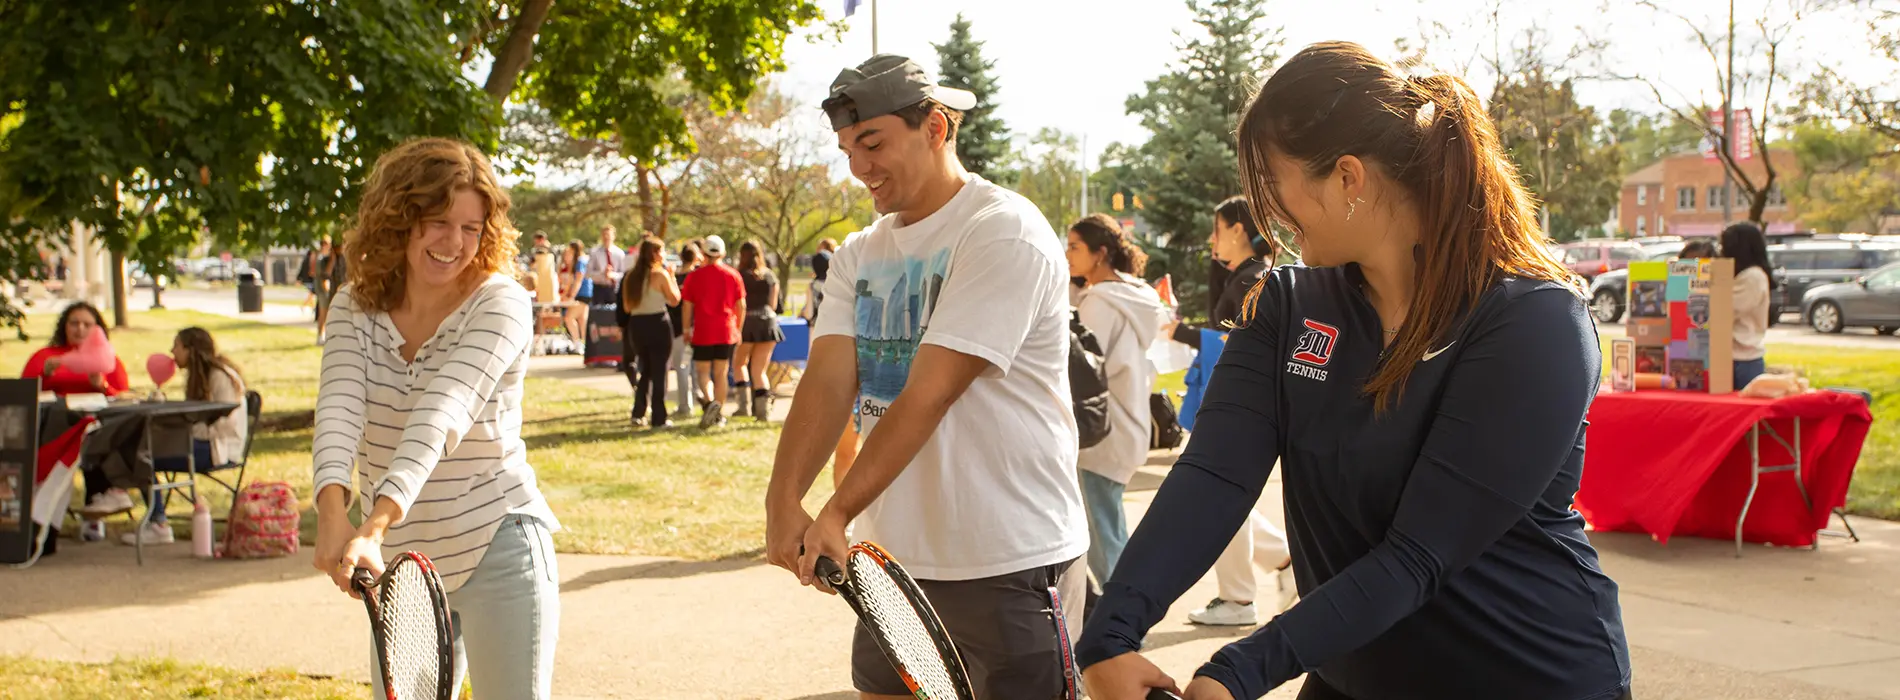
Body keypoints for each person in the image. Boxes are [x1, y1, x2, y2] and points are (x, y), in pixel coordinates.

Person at [1078, 42, 1630, 700]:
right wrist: (1110, 634)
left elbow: (1418, 556)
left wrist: (1238, 670)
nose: (1270, 217)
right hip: (1353, 675)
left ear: (1348, 178)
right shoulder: (1287, 305)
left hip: (1525, 676)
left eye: (1274, 184)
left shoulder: (1534, 324)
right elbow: (1215, 477)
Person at [765, 54, 1088, 699]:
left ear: (936, 128)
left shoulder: (1002, 230)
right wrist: (781, 499)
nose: (858, 166)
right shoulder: (862, 251)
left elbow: (931, 391)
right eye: (848, 148)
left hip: (1009, 560)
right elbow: (828, 382)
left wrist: (836, 509)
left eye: (873, 142)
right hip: (894, 567)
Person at [311, 137, 561, 699]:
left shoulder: (501, 302)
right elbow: (339, 409)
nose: (455, 243)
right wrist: (332, 512)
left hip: (496, 542)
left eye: (472, 228)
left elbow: (442, 412)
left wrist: (372, 527)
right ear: (399, 218)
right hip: (404, 569)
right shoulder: (355, 305)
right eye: (438, 222)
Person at [1166, 196, 1299, 626]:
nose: (1212, 240)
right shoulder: (1249, 276)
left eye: (1217, 229)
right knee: (1225, 498)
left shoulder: (1252, 280)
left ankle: (1239, 599)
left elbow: (1230, 343)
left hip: (1239, 407)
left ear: (1238, 231)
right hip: (1241, 407)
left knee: (1220, 498)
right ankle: (1283, 563)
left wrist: (1180, 332)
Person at [1065, 213, 1168, 590]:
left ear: (1100, 253)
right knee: (1106, 529)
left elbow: (1080, 366)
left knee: (1103, 538)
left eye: (1075, 247)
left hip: (1102, 432)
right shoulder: (1132, 296)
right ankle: (1120, 618)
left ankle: (1121, 625)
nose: (1067, 254)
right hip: (1127, 424)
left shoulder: (1101, 303)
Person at [120, 327, 249, 545]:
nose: (172, 351)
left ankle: (158, 523)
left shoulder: (219, 376)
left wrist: (189, 430)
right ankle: (154, 517)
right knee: (138, 449)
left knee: (140, 457)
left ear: (191, 349)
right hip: (202, 444)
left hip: (218, 449)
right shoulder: (200, 376)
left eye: (177, 346)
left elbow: (227, 425)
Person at [680, 235, 745, 428]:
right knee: (721, 373)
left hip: (703, 331)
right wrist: (738, 329)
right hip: (726, 330)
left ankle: (710, 405)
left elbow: (687, 306)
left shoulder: (694, 276)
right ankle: (718, 413)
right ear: (723, 253)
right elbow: (741, 305)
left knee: (702, 372)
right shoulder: (733, 275)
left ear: (704, 253)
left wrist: (685, 328)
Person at [621, 235, 681, 428]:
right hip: (658, 324)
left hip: (637, 326)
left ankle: (638, 412)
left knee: (645, 369)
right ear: (655, 254)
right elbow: (674, 300)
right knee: (660, 371)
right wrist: (672, 277)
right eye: (661, 250)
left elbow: (627, 307)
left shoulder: (630, 276)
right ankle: (659, 417)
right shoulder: (660, 275)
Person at [21, 301, 130, 397]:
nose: (80, 329)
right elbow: (23, 396)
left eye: (87, 325)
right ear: (64, 327)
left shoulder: (109, 361)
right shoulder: (43, 356)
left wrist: (103, 387)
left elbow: (125, 402)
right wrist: (45, 375)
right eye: (74, 324)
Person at [734, 241, 784, 421]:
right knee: (759, 370)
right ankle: (763, 412)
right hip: (768, 321)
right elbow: (773, 304)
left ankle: (744, 406)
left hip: (747, 321)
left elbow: (738, 303)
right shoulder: (770, 276)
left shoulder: (739, 276)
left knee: (739, 363)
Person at [1722, 221, 1774, 389]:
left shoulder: (1752, 277)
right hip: (1732, 357)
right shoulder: (1742, 276)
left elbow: (1725, 310)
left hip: (1743, 359)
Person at [670, 242, 706, 419]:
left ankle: (686, 404)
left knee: (683, 367)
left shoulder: (674, 278)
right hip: (696, 327)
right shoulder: (698, 277)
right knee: (695, 367)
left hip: (680, 329)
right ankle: (698, 398)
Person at [560, 240, 591, 342]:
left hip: (581, 294)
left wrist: (571, 296)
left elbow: (578, 280)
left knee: (569, 318)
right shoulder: (586, 259)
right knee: (582, 320)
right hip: (588, 293)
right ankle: (584, 344)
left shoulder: (580, 261)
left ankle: (577, 342)